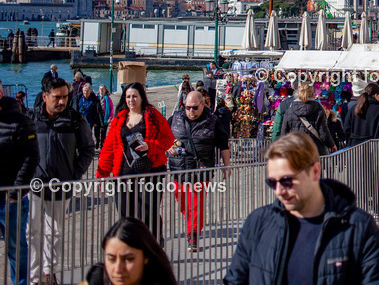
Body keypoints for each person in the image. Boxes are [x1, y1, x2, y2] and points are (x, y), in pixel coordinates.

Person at [223, 133, 379, 284]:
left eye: (287, 180)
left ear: (315, 172)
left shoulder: (358, 227)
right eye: (272, 183)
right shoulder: (258, 222)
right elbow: (235, 279)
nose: (279, 191)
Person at [29, 77, 96, 283]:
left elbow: (88, 149)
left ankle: (50, 273)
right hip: (34, 185)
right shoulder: (32, 119)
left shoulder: (75, 120)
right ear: (45, 97)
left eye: (65, 97)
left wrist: (74, 175)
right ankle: (34, 277)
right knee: (32, 232)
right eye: (56, 97)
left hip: (62, 184)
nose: (62, 102)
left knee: (54, 232)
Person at [96, 83, 175, 243]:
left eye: (134, 96)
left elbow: (168, 139)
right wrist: (102, 173)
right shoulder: (119, 119)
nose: (131, 100)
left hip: (150, 172)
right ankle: (132, 247)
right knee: (126, 214)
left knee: (147, 211)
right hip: (124, 173)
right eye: (128, 96)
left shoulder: (153, 115)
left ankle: (154, 244)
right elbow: (108, 148)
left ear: (141, 97)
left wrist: (150, 146)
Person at [166, 91, 230, 251]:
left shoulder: (213, 121)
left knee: (195, 205)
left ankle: (192, 236)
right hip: (178, 170)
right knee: (183, 204)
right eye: (187, 107)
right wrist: (168, 147)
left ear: (203, 104)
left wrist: (226, 166)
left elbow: (223, 144)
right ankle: (191, 224)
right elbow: (163, 138)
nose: (191, 111)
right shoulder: (175, 119)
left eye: (194, 108)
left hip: (201, 170)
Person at [0, 88, 38, 285]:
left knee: (16, 249)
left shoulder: (21, 121)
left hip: (10, 199)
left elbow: (31, 158)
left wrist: (16, 192)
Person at [78, 218, 176, 285]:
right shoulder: (98, 277)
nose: (118, 269)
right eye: (111, 259)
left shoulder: (159, 280)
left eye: (128, 259)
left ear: (146, 257)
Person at [281, 84, 336, 154]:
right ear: (313, 94)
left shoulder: (290, 109)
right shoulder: (318, 109)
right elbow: (323, 133)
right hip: (315, 151)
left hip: (296, 151)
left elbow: (284, 133)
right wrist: (331, 145)